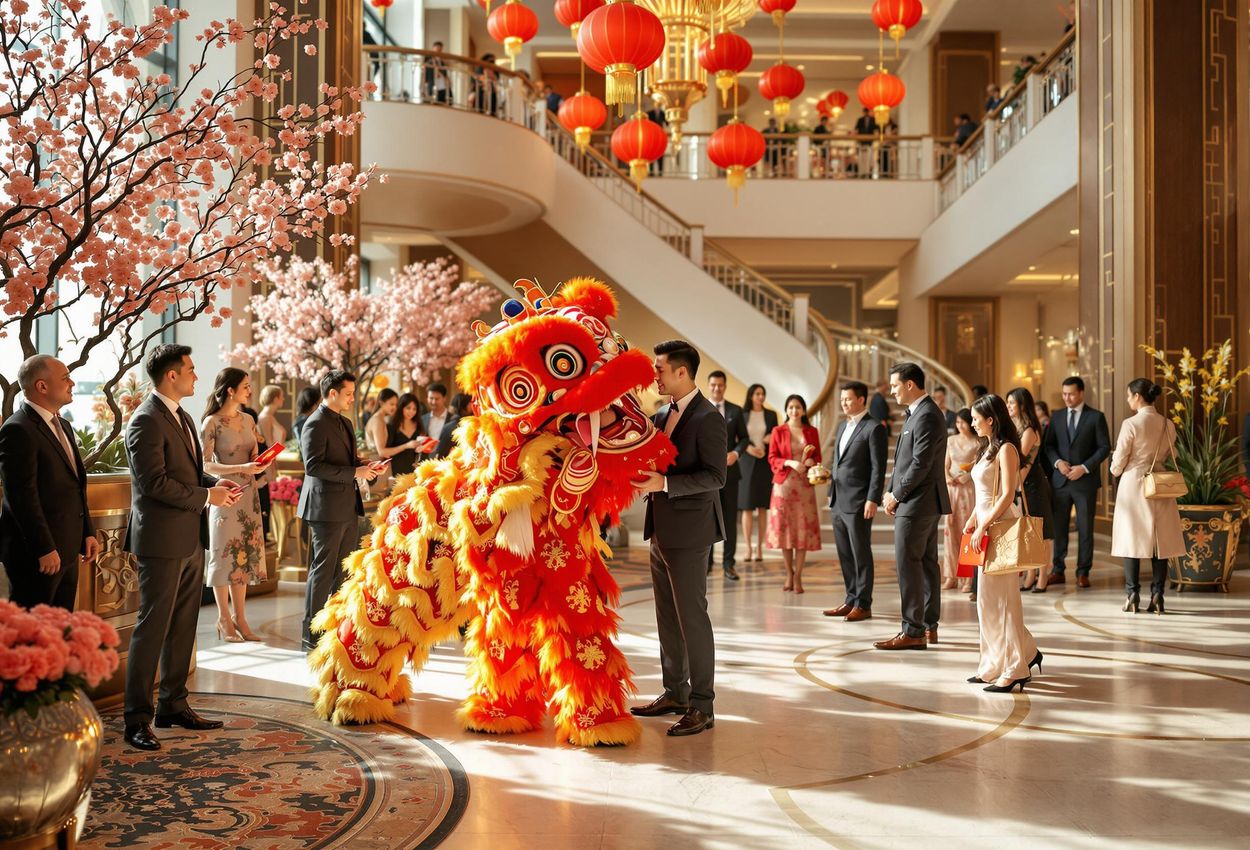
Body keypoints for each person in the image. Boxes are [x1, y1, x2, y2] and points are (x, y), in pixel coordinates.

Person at [123, 343, 239, 751]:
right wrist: (208, 498)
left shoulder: (184, 416)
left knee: (183, 626)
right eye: (189, 369)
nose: (195, 375)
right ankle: (136, 718)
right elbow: (153, 483)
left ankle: (172, 704)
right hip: (160, 539)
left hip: (190, 536)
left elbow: (187, 473)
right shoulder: (145, 420)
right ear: (171, 375)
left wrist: (213, 484)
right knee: (152, 627)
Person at [631, 340, 726, 738]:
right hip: (661, 529)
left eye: (660, 369)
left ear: (682, 372)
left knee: (692, 618)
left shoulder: (708, 418)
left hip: (690, 532)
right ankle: (675, 692)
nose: (654, 375)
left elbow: (715, 477)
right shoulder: (661, 413)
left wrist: (665, 482)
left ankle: (702, 705)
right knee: (667, 618)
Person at [0, 355, 97, 610]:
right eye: (65, 378)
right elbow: (21, 497)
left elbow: (76, 483)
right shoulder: (17, 429)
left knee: (60, 630)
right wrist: (43, 548)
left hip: (67, 549)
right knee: (31, 636)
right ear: (42, 386)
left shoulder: (63, 424)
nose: (72, 383)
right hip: (37, 555)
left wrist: (87, 531)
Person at [964, 393, 1041, 693]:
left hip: (1001, 526)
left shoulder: (1007, 449)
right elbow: (985, 491)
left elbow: (1008, 494)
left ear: (991, 419)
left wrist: (983, 523)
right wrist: (973, 517)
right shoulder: (986, 449)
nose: (971, 424)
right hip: (984, 527)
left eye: (975, 419)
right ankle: (996, 662)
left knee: (1005, 600)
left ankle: (1015, 668)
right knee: (987, 602)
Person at [298, 370, 379, 652]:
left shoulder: (345, 422)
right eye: (348, 394)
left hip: (346, 505)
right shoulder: (315, 423)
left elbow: (346, 461)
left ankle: (334, 626)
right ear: (332, 393)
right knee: (322, 571)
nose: (352, 398)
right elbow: (313, 466)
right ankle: (311, 633)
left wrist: (365, 466)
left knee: (342, 570)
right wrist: (354, 470)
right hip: (323, 508)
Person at [876, 362, 951, 651]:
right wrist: (891, 490)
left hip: (919, 501)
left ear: (910, 385)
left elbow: (921, 463)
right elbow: (906, 461)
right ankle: (928, 625)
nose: (891, 390)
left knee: (909, 564)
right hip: (919, 500)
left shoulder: (928, 415)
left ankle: (913, 630)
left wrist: (896, 495)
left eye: (895, 385)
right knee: (926, 563)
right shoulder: (918, 413)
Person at [200, 368, 272, 643]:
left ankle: (241, 618)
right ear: (230, 390)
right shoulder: (211, 423)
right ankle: (223, 618)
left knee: (244, 555)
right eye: (245, 386)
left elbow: (254, 453)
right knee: (224, 556)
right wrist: (242, 466)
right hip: (224, 495)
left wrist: (259, 460)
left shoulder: (249, 418)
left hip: (249, 495)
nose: (249, 390)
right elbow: (205, 465)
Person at [1109, 379, 1186, 614]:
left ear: (1138, 396)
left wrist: (1113, 470)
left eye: (1129, 396)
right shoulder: (1168, 424)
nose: (1128, 399)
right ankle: (1158, 594)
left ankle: (1132, 594)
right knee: (1158, 540)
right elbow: (1170, 452)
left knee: (1131, 539)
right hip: (1161, 483)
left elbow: (1120, 458)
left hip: (1134, 482)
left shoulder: (1130, 423)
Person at [824, 382, 885, 621]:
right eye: (842, 399)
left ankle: (863, 603)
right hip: (838, 500)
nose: (844, 403)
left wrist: (872, 498)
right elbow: (836, 462)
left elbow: (878, 468)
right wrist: (830, 489)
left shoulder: (874, 428)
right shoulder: (842, 426)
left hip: (859, 501)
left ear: (861, 400)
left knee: (860, 552)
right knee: (844, 553)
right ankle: (850, 599)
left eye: (848, 399)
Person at [1042, 375, 1110, 588]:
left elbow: (1104, 448)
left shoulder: (1096, 417)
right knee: (1059, 528)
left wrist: (1084, 467)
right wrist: (1058, 462)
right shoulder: (1057, 416)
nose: (1067, 398)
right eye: (1064, 394)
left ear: (1081, 393)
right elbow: (1048, 445)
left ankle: (1083, 572)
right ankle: (1058, 569)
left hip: (1084, 482)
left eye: (1071, 394)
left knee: (1085, 527)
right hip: (1060, 481)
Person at [766, 394, 822, 594]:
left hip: (805, 488)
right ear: (786, 410)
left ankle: (798, 575)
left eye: (798, 407)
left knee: (802, 532)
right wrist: (790, 462)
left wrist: (810, 462)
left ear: (803, 410)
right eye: (790, 407)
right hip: (783, 487)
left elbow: (817, 457)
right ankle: (788, 573)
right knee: (786, 532)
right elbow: (772, 457)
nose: (794, 411)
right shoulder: (778, 431)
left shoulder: (812, 431)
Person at [1006, 387, 1054, 592]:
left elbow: (1020, 457)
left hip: (1033, 485)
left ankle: (1043, 575)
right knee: (1026, 531)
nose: (1008, 407)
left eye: (1011, 403)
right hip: (1021, 484)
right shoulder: (1015, 426)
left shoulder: (1029, 430)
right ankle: (1030, 573)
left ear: (1022, 405)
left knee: (1040, 532)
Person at [706, 371, 748, 581]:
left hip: (730, 475)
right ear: (708, 385)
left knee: (730, 521)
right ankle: (706, 563)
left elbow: (745, 439)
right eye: (713, 385)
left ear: (725, 386)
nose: (716, 388)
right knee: (707, 519)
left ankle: (728, 564)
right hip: (704, 476)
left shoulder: (735, 411)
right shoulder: (699, 408)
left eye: (720, 385)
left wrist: (736, 453)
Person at [738, 383, 778, 562]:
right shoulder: (742, 414)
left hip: (765, 462)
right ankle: (747, 548)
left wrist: (769, 439)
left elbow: (776, 436)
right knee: (747, 507)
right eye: (757, 394)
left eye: (763, 394)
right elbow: (738, 438)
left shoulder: (771, 415)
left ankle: (760, 548)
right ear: (751, 396)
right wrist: (749, 449)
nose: (761, 397)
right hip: (746, 462)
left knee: (763, 507)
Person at [942, 408, 979, 593]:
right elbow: (945, 465)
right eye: (957, 423)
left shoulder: (978, 442)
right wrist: (947, 477)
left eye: (963, 422)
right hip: (952, 490)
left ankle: (968, 578)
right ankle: (951, 575)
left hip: (969, 489)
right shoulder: (950, 441)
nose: (960, 426)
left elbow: (980, 466)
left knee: (968, 533)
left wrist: (968, 477)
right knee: (950, 531)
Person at [387, 392, 428, 476]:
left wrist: (422, 449)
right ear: (401, 407)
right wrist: (406, 445)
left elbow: (424, 452)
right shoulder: (392, 426)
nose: (411, 412)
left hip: (415, 471)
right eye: (408, 408)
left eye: (414, 409)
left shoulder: (419, 425)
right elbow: (387, 452)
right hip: (397, 472)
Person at [434, 392, 472, 459]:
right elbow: (441, 453)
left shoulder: (448, 426)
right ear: (464, 406)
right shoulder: (451, 427)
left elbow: (440, 453)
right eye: (471, 403)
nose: (474, 405)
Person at [365, 387, 398, 456]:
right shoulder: (377, 420)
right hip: (374, 463)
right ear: (381, 403)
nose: (394, 407)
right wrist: (406, 446)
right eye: (392, 404)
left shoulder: (381, 419)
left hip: (378, 462)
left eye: (396, 405)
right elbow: (382, 452)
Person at [423, 383, 452, 457]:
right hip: (426, 462)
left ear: (444, 398)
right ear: (427, 398)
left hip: (447, 461)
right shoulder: (422, 419)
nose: (433, 402)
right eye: (431, 398)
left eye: (437, 399)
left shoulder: (452, 419)